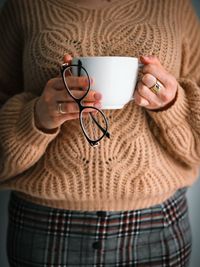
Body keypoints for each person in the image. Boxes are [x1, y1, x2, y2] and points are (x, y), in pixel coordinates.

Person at [0, 0, 200, 266]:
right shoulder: (24, 7)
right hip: (44, 226)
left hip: (157, 225)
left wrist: (173, 103)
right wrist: (38, 117)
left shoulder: (174, 6)